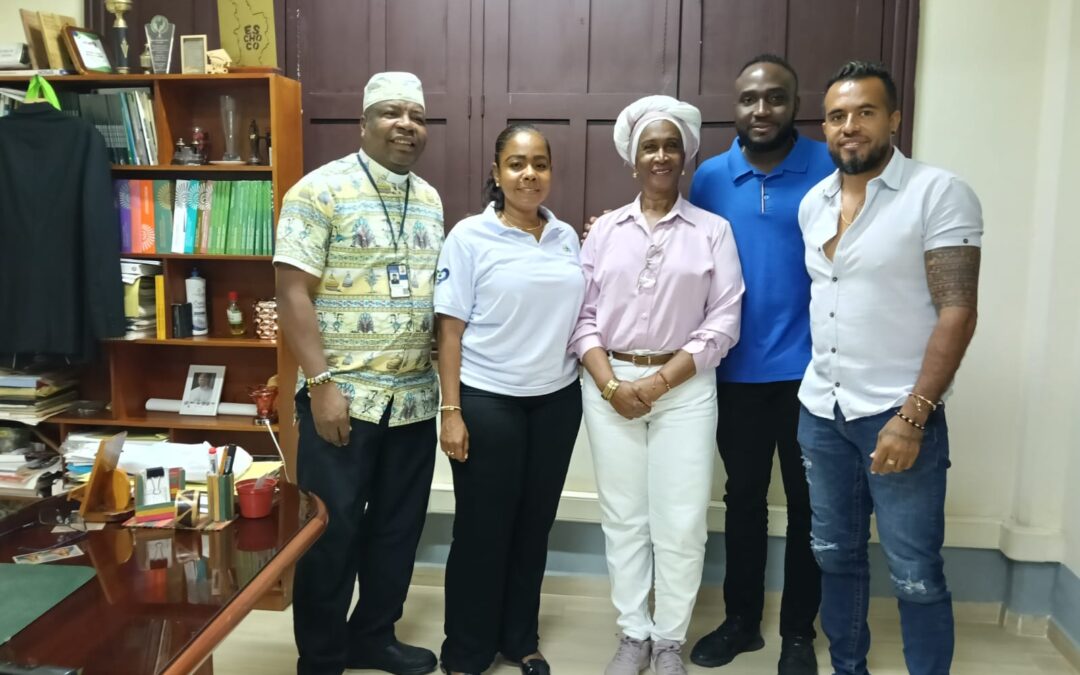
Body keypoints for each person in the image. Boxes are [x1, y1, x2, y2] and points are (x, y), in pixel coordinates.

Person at [796, 61, 982, 675]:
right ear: (825, 126)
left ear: (895, 119)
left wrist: (914, 414)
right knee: (835, 557)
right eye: (837, 116)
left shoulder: (938, 192)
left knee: (915, 572)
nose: (850, 126)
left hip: (898, 415)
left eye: (865, 112)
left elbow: (957, 311)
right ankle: (849, 668)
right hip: (823, 413)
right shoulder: (814, 203)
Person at [274, 72, 445, 675]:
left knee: (398, 532)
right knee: (331, 532)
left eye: (417, 115)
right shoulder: (316, 191)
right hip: (342, 397)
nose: (407, 125)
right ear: (364, 122)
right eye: (392, 113)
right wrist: (321, 386)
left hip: (415, 401)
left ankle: (374, 634)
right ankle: (320, 656)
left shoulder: (429, 198)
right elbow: (291, 291)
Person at [571, 95, 744, 675]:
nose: (661, 154)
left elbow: (724, 320)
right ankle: (632, 633)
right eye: (651, 145)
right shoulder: (604, 232)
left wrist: (660, 383)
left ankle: (668, 638)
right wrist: (612, 384)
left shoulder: (712, 231)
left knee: (681, 517)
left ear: (686, 156)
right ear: (633, 157)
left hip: (686, 388)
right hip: (609, 385)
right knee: (623, 515)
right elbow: (582, 317)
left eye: (672, 145)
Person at [687, 54, 834, 675]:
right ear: (735, 105)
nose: (761, 110)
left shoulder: (831, 165)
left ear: (794, 103)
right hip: (735, 373)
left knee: (809, 505)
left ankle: (799, 632)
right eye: (749, 99)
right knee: (743, 499)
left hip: (813, 374)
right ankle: (742, 622)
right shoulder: (710, 178)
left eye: (775, 98)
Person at [434, 124, 585, 675]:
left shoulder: (567, 236)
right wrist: (450, 413)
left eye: (540, 164)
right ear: (496, 174)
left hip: (556, 401)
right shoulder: (469, 237)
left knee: (533, 526)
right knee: (481, 528)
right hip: (487, 399)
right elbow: (448, 332)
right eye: (517, 164)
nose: (530, 174)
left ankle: (520, 637)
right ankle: (467, 648)